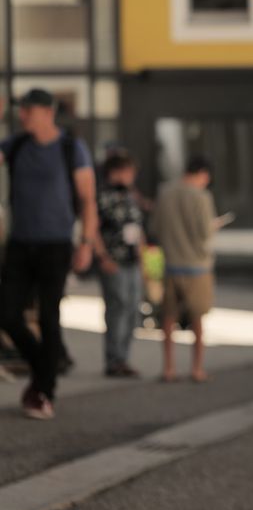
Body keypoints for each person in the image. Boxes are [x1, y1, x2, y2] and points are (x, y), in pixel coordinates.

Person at [0, 88, 98, 420]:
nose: (23, 116)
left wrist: (87, 242)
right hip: (19, 244)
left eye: (27, 110)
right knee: (7, 315)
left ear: (47, 111)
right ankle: (44, 369)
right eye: (21, 111)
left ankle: (44, 391)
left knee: (48, 318)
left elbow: (87, 199)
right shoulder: (16, 145)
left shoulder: (72, 148)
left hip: (56, 245)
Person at [152, 154, 225, 383]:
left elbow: (155, 227)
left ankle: (169, 368)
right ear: (203, 174)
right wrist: (214, 226)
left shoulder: (165, 192)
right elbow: (204, 232)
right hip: (197, 266)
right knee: (197, 319)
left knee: (167, 318)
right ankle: (196, 368)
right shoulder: (202, 196)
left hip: (171, 263)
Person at [96, 149, 145, 377]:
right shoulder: (102, 196)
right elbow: (93, 228)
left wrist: (144, 255)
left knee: (133, 308)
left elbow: (137, 227)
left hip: (132, 260)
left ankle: (124, 357)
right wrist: (102, 257)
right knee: (118, 307)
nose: (131, 177)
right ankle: (113, 359)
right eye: (128, 172)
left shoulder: (131, 196)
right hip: (113, 260)